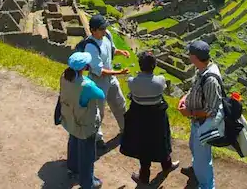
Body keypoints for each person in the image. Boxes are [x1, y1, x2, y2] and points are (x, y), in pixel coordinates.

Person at [122, 51, 180, 185]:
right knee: (162, 140)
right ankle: (167, 165)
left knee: (143, 146)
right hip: (156, 118)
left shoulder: (132, 82)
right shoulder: (160, 81)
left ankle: (144, 176)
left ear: (140, 66)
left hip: (140, 118)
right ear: (154, 66)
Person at [179, 40, 222, 189]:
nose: (188, 57)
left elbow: (211, 111)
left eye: (190, 54)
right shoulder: (201, 70)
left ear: (195, 57)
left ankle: (206, 185)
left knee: (203, 160)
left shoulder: (210, 80)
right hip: (196, 121)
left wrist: (189, 112)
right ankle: (196, 170)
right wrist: (185, 98)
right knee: (193, 147)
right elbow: (195, 89)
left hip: (203, 124)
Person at [60, 51, 106, 189]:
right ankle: (88, 183)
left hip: (70, 117)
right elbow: (101, 95)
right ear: (84, 67)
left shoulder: (64, 76)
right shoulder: (87, 85)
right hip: (85, 123)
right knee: (87, 153)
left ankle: (73, 168)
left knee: (73, 141)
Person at [84, 14, 130, 148]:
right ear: (93, 30)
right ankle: (97, 139)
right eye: (102, 29)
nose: (105, 30)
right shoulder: (90, 46)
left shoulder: (107, 35)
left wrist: (121, 52)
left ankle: (125, 130)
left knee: (119, 103)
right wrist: (119, 73)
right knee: (98, 111)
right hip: (98, 81)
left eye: (105, 27)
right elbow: (100, 71)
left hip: (111, 78)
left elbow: (111, 50)